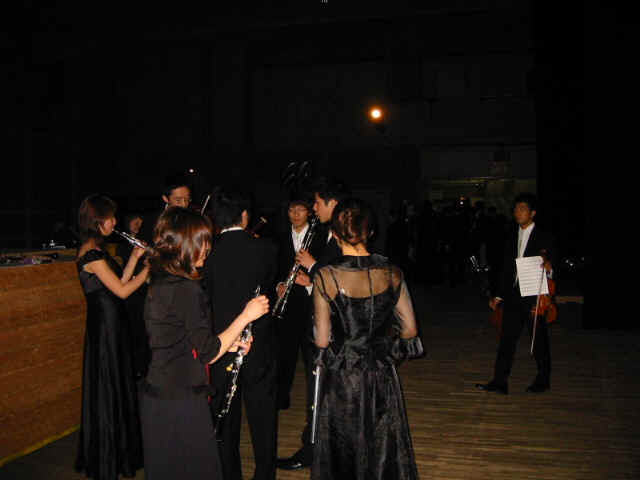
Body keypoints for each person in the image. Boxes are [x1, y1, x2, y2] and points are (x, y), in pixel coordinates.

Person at [139, 206, 269, 480]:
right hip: (181, 398)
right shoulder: (187, 289)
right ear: (185, 245)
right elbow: (209, 353)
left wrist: (231, 344)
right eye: (202, 242)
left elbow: (182, 339)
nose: (207, 249)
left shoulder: (161, 280)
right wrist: (246, 316)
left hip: (159, 392)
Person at [311, 198, 423, 480]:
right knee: (382, 442)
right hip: (381, 371)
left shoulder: (326, 277)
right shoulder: (392, 273)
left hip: (344, 374)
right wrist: (385, 348)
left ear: (335, 235)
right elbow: (410, 330)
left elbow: (322, 340)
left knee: (344, 445)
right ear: (370, 232)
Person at [203, 187, 278, 480]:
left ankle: (229, 473)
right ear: (245, 216)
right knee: (262, 414)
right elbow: (269, 291)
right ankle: (265, 473)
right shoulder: (267, 249)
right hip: (258, 341)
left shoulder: (207, 251)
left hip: (222, 343)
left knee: (225, 416)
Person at [74, 195, 150, 480]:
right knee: (108, 390)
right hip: (104, 329)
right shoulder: (91, 256)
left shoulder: (98, 250)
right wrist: (149, 268)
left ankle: (121, 452)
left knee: (117, 387)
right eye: (110, 218)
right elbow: (122, 291)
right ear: (96, 221)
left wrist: (135, 258)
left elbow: (119, 282)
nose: (115, 222)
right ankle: (108, 457)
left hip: (112, 326)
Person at [277, 176, 350, 471]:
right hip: (320, 323)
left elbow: (342, 280)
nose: (314, 208)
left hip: (330, 328)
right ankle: (317, 447)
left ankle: (314, 451)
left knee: (321, 389)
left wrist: (312, 269)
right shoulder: (333, 233)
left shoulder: (340, 237)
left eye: (317, 203)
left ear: (332, 203)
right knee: (318, 389)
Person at [476, 193, 556, 395]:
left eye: (522, 209)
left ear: (532, 213)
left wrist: (549, 267)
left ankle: (543, 379)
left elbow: (553, 264)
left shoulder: (544, 236)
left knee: (538, 340)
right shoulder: (511, 235)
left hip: (535, 295)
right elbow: (506, 269)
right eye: (516, 209)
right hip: (513, 295)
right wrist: (499, 295)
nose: (517, 212)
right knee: (507, 340)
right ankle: (500, 382)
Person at [274, 195, 325, 410]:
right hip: (287, 305)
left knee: (311, 357)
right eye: (291, 210)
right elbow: (273, 269)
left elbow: (328, 270)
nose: (295, 214)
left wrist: (310, 281)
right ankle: (281, 398)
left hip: (311, 305)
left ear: (309, 212)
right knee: (284, 355)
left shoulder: (321, 237)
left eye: (300, 210)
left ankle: (315, 403)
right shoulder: (279, 237)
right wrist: (278, 285)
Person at [115, 213, 149, 378]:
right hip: (130, 295)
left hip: (143, 292)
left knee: (143, 331)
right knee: (134, 331)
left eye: (140, 223)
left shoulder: (144, 243)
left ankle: (144, 367)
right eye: (135, 222)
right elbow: (123, 280)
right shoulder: (122, 246)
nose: (138, 225)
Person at [139, 174, 192, 244]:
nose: (184, 204)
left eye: (187, 199)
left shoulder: (191, 220)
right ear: (165, 199)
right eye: (178, 200)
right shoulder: (152, 220)